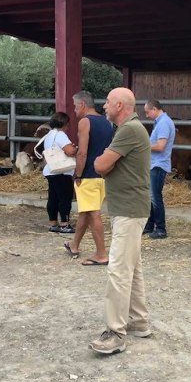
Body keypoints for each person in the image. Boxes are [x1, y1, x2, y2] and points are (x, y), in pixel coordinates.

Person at [89, 87, 151, 355]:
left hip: (129, 209)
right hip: (129, 208)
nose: (103, 106)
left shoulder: (128, 130)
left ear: (119, 105)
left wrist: (105, 159)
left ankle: (115, 332)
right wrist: (106, 159)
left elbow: (101, 166)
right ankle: (139, 322)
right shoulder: (129, 129)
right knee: (132, 268)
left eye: (107, 102)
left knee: (118, 270)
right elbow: (106, 162)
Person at [64, 91, 113, 267]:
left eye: (76, 106)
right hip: (102, 174)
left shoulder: (85, 122)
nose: (75, 111)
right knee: (86, 210)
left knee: (93, 214)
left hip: (89, 175)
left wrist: (77, 173)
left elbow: (83, 152)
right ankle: (74, 245)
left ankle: (101, 253)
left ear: (83, 105)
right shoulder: (107, 122)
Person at [143, 99, 176, 239]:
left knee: (155, 197)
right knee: (152, 196)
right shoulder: (161, 122)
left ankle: (161, 228)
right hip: (155, 163)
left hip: (158, 164)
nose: (146, 115)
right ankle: (150, 225)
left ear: (154, 109)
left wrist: (143, 146)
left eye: (147, 112)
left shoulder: (163, 123)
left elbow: (161, 146)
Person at [41, 112, 77, 234]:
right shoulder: (61, 135)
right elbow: (69, 151)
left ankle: (53, 223)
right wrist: (75, 148)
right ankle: (64, 224)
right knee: (65, 198)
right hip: (62, 171)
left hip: (51, 170)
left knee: (53, 198)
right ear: (64, 123)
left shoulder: (49, 135)